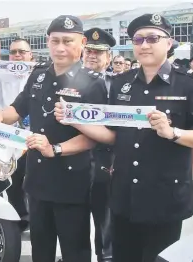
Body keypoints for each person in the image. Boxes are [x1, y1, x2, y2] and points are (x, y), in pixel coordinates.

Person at [54, 13, 193, 262]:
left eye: (152, 38)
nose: (144, 45)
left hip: (164, 197)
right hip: (124, 195)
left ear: (169, 43)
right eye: (138, 39)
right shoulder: (121, 83)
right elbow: (111, 135)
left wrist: (173, 133)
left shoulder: (190, 84)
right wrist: (74, 118)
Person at [0, 15, 108, 262]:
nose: (60, 48)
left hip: (72, 183)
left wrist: (56, 148)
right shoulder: (38, 76)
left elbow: (95, 136)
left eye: (68, 41)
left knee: (75, 251)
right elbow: (16, 111)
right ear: (47, 42)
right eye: (55, 41)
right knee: (41, 249)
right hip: (37, 180)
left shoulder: (93, 84)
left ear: (82, 42)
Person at [0, 38, 34, 232]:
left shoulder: (40, 76)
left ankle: (38, 219)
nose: (17, 56)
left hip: (36, 137)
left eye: (21, 52)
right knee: (14, 181)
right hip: (10, 138)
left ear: (30, 54)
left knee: (36, 181)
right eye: (13, 52)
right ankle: (21, 219)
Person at [82, 27, 116, 262]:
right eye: (89, 51)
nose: (93, 55)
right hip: (74, 158)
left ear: (109, 57)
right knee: (75, 216)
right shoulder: (69, 81)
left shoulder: (118, 85)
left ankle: (105, 256)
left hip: (105, 158)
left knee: (105, 217)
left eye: (99, 52)